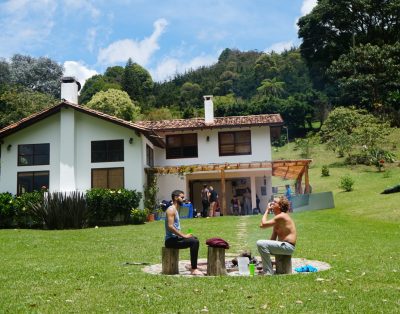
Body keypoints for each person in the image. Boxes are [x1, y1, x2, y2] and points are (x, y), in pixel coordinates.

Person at [165, 190, 203, 275]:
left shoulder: (175, 209)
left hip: (175, 238)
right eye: (182, 197)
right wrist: (184, 236)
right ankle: (194, 269)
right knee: (194, 242)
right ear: (175, 197)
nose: (183, 199)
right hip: (170, 241)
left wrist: (185, 236)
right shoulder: (171, 209)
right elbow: (170, 226)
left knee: (194, 238)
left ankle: (193, 266)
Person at [256, 196, 297, 275]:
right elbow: (273, 239)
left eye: (274, 202)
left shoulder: (282, 216)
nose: (272, 203)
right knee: (262, 244)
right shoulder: (277, 219)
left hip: (288, 247)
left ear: (280, 206)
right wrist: (265, 251)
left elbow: (262, 225)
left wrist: (267, 210)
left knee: (260, 243)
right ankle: (269, 269)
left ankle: (268, 272)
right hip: (284, 246)